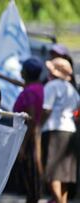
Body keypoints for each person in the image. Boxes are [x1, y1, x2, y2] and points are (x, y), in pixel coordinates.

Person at [41, 57, 80, 203]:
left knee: (52, 173)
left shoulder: (51, 86)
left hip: (54, 130)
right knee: (64, 174)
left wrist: (39, 126)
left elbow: (46, 110)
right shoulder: (72, 89)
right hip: (70, 131)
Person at [12, 57, 44, 203]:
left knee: (31, 181)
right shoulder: (37, 87)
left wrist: (23, 147)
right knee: (31, 181)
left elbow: (31, 120)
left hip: (28, 137)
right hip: (31, 136)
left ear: (26, 72)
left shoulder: (29, 92)